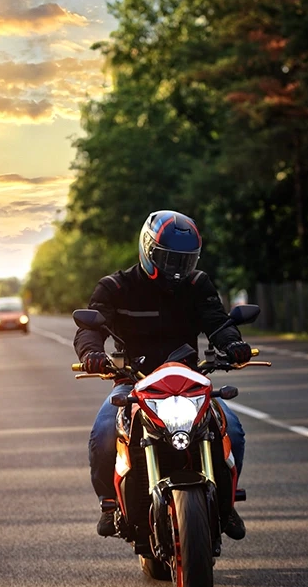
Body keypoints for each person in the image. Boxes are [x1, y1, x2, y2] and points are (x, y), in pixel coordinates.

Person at [73, 210, 253, 539]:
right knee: (103, 435)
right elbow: (89, 327)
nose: (176, 269)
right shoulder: (115, 286)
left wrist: (234, 344)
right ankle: (110, 504)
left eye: (184, 261)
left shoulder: (198, 284)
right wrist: (92, 355)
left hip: (187, 379)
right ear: (148, 249)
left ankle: (226, 506)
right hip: (133, 379)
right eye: (168, 259)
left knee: (233, 431)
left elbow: (218, 322)